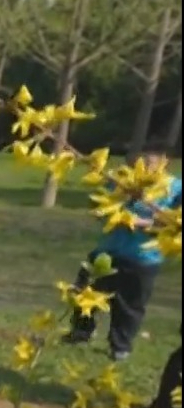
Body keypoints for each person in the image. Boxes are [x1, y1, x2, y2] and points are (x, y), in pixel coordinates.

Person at [63, 143, 183, 361]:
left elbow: (176, 222)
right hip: (107, 250)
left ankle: (120, 346)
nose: (143, 167)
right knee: (84, 292)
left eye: (149, 163)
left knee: (129, 305)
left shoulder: (175, 188)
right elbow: (102, 206)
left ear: (165, 161)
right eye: (139, 162)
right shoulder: (121, 180)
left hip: (142, 257)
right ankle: (81, 330)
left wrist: (142, 222)